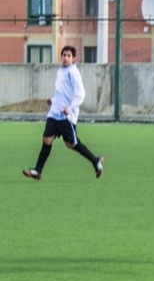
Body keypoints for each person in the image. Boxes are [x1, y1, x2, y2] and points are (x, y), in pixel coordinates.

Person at [22, 45, 104, 181]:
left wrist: (70, 108)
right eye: (64, 55)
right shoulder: (61, 71)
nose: (65, 58)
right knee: (47, 140)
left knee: (71, 143)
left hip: (66, 115)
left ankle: (95, 160)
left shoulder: (73, 72)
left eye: (68, 56)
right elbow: (63, 92)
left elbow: (80, 94)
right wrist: (53, 100)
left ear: (73, 59)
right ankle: (37, 171)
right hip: (55, 112)